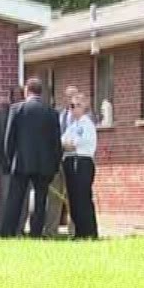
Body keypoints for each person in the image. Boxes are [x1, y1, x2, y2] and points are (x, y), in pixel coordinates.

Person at [0, 78, 62, 238]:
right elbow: (56, 142)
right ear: (41, 92)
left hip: (21, 162)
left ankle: (8, 232)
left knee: (15, 199)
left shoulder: (17, 110)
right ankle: (36, 232)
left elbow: (9, 139)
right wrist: (54, 165)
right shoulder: (51, 112)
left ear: (27, 91)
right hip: (44, 164)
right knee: (40, 201)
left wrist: (9, 159)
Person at [59, 95, 99, 240]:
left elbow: (75, 144)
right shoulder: (73, 125)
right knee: (73, 199)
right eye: (71, 106)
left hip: (81, 162)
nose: (72, 109)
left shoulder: (86, 124)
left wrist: (68, 144)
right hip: (70, 161)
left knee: (82, 199)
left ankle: (89, 232)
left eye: (76, 105)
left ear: (84, 107)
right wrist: (67, 144)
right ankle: (79, 232)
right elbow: (62, 141)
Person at [48, 85, 82, 236]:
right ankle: (50, 230)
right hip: (58, 160)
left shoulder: (83, 118)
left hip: (74, 160)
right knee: (55, 195)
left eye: (74, 97)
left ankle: (74, 229)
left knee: (73, 195)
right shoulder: (59, 115)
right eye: (68, 97)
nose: (71, 100)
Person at [0, 86, 21, 213]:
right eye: (14, 96)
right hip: (5, 165)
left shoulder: (25, 115)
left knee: (22, 201)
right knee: (6, 198)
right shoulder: (0, 116)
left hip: (22, 165)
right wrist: (0, 161)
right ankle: (3, 229)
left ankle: (19, 229)